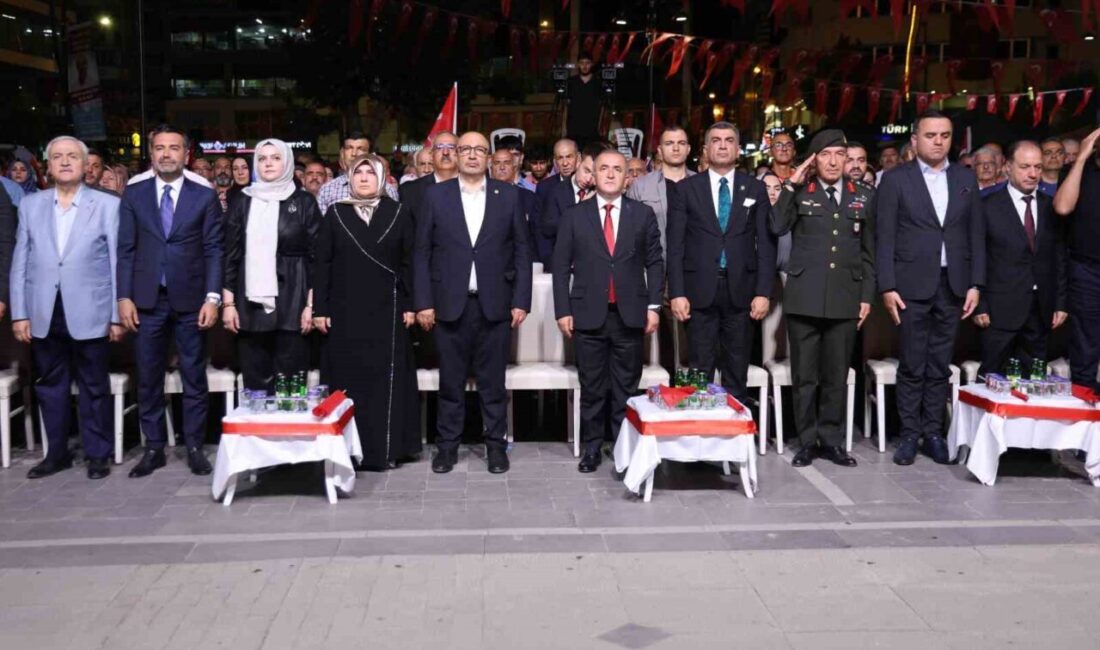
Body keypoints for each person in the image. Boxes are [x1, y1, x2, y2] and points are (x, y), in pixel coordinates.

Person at [413, 131, 532, 475]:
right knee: (450, 383)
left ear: (490, 157)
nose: (472, 155)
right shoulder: (436, 196)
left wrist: (521, 299)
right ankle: (446, 448)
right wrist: (423, 301)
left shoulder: (509, 196)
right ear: (455, 154)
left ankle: (496, 446)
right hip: (449, 304)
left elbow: (522, 251)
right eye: (465, 149)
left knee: (493, 383)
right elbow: (421, 253)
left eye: (480, 150)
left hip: (495, 305)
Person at [10, 136, 124, 480]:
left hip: (92, 308)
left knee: (94, 385)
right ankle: (56, 453)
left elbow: (118, 262)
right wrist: (20, 312)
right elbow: (20, 261)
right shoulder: (31, 205)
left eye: (71, 156)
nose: (64, 162)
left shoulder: (107, 205)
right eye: (57, 157)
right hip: (44, 309)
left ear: (85, 163)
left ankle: (97, 454)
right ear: (47, 165)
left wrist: (116, 315)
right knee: (50, 386)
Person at [876, 110, 984, 466]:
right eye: (931, 135)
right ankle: (909, 434)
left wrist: (975, 283)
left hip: (952, 284)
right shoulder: (896, 180)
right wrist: (887, 285)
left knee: (940, 363)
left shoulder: (965, 178)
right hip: (909, 284)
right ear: (915, 140)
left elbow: (975, 236)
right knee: (912, 362)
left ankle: (933, 432)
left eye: (945, 135)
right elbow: (885, 236)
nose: (938, 141)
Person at [117, 124, 223, 478]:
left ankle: (194, 447)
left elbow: (213, 250)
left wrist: (212, 298)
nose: (166, 154)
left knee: (194, 375)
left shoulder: (203, 195)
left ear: (186, 153)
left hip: (192, 299)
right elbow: (125, 250)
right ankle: (154, 448)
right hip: (146, 301)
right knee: (148, 377)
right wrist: (124, 296)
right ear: (151, 154)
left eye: (173, 148)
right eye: (159, 148)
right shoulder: (134, 194)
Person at [551, 149, 663, 473]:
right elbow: (560, 267)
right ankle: (591, 448)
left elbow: (655, 262)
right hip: (587, 314)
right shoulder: (575, 215)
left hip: (630, 314)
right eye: (604, 168)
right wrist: (562, 310)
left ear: (628, 176)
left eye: (618, 169)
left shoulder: (642, 215)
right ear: (593, 174)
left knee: (626, 387)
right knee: (593, 387)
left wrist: (654, 306)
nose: (611, 174)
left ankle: (621, 445)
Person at [771, 130, 875, 468]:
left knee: (835, 376)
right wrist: (791, 184)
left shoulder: (864, 196)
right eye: (826, 154)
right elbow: (776, 225)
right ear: (814, 159)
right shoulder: (802, 193)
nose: (833, 161)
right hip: (804, 296)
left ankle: (831, 441)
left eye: (840, 155)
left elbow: (869, 252)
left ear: (848, 160)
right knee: (805, 376)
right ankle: (806, 441)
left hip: (846, 296)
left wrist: (867, 296)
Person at [312, 155, 421, 471]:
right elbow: (323, 264)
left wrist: (411, 305)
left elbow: (408, 264)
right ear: (349, 178)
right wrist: (320, 307)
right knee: (349, 380)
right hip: (345, 312)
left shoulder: (398, 213)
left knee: (384, 382)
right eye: (357, 172)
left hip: (388, 311)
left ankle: (385, 450)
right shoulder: (335, 214)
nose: (362, 178)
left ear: (382, 179)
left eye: (369, 173)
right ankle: (343, 449)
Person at [667, 121, 776, 402]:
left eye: (729, 140)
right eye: (716, 140)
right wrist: (676, 292)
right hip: (698, 291)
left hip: (742, 292)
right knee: (699, 369)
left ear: (738, 149)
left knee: (736, 370)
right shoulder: (685, 189)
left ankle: (735, 440)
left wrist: (764, 292)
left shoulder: (755, 188)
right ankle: (702, 439)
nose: (723, 145)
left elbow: (766, 245)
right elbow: (675, 245)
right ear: (705, 149)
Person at [222, 139, 322, 392]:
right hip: (250, 305)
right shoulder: (242, 201)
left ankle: (291, 431)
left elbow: (317, 258)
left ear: (287, 162)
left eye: (275, 158)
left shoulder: (304, 202)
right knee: (256, 386)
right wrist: (229, 304)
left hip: (294, 301)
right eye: (263, 158)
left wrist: (312, 305)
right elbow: (230, 256)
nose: (268, 163)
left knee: (291, 386)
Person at [973, 141, 1067, 378]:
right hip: (998, 310)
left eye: (1037, 166)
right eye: (1025, 166)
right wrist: (980, 303)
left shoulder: (1051, 206)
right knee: (991, 381)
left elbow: (1059, 257)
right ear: (1007, 167)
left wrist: (1060, 302)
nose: (1033, 173)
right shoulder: (986, 206)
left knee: (1034, 383)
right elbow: (976, 256)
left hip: (1041, 309)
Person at [1053, 127, 1100, 392]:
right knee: (1085, 341)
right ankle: (1085, 408)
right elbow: (1062, 207)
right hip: (1087, 268)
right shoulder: (1078, 171)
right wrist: (1081, 158)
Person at [626, 125, 694, 259]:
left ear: (688, 149)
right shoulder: (641, 186)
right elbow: (630, 232)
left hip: (693, 268)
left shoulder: (701, 185)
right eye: (669, 143)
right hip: (653, 267)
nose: (675, 148)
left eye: (681, 143)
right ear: (660, 150)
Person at [490, 148, 544, 264]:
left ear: (514, 167)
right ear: (491, 167)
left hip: (520, 263)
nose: (502, 167)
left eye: (507, 163)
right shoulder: (481, 196)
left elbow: (535, 236)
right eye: (497, 163)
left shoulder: (529, 198)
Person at [541, 143, 600, 248]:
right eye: (586, 171)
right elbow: (548, 230)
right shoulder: (555, 191)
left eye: (594, 175)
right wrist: (580, 209)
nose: (588, 179)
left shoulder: (600, 194)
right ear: (578, 162)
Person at [317, 131, 372, 214]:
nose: (354, 154)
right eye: (349, 148)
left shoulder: (387, 190)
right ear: (342, 153)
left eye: (360, 149)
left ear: (370, 155)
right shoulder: (327, 190)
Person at [564, 53, 602, 148]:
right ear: (578, 64)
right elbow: (566, 105)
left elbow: (602, 106)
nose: (584, 66)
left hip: (591, 128)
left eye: (587, 63)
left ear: (592, 64)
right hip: (574, 128)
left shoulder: (598, 82)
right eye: (582, 63)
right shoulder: (571, 82)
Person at [536, 139, 579, 204]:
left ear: (578, 157)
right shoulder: (544, 188)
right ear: (555, 162)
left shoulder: (587, 183)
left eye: (569, 157)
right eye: (560, 158)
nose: (565, 163)